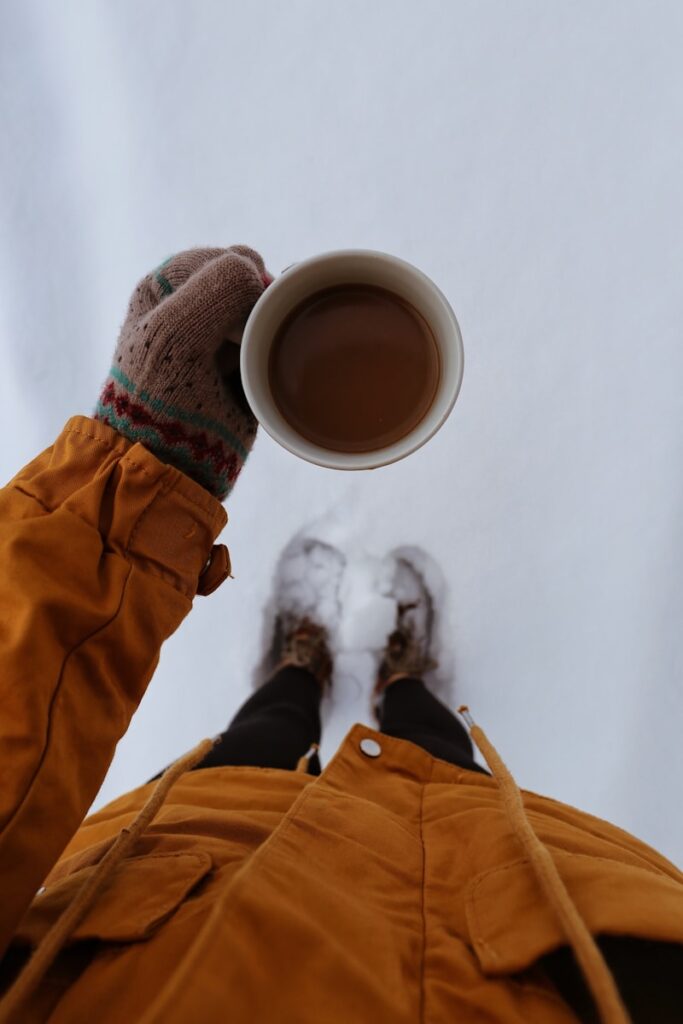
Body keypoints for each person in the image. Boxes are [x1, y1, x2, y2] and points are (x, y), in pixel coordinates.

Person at [0, 246, 680, 1024]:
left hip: (174, 884)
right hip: (522, 895)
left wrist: (129, 477)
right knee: (436, 766)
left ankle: (301, 669)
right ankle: (401, 682)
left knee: (252, 752)